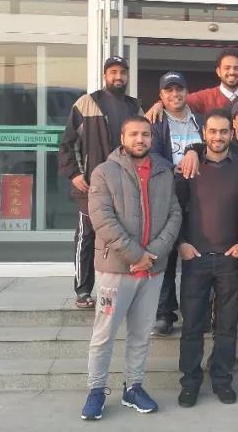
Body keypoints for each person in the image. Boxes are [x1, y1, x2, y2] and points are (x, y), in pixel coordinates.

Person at [81, 116, 182, 421]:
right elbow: (102, 219)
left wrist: (153, 254)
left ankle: (133, 387)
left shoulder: (164, 170)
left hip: (152, 269)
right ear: (122, 138)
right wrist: (135, 255)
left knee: (140, 334)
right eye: (134, 134)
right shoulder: (104, 172)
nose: (140, 139)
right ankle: (96, 390)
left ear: (152, 138)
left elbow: (175, 213)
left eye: (146, 134)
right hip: (116, 270)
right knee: (104, 334)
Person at [175, 109, 238, 408]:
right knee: (192, 326)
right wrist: (181, 243)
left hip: (230, 260)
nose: (218, 136)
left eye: (223, 131)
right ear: (204, 134)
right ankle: (190, 383)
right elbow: (175, 208)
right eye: (212, 131)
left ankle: (222, 380)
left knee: (227, 327)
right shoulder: (189, 167)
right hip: (194, 258)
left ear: (231, 133)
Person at [59, 55, 141, 309]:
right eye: (113, 72)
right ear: (105, 75)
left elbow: (143, 143)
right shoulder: (87, 103)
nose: (119, 77)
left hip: (125, 186)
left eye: (123, 72)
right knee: (87, 238)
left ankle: (122, 290)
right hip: (91, 187)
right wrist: (75, 174)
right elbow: (67, 144)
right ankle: (83, 290)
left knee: (122, 236)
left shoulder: (135, 107)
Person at [149, 71, 203, 336]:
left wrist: (195, 150)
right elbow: (151, 155)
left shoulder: (200, 121)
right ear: (161, 95)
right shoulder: (155, 122)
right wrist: (174, 168)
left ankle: (198, 311)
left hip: (201, 196)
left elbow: (215, 144)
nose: (174, 94)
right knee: (167, 254)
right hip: (169, 194)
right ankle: (164, 313)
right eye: (168, 90)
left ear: (186, 92)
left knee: (198, 255)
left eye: (178, 89)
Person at [146, 49, 238, 121]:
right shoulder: (204, 97)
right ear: (218, 71)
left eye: (236, 68)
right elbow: (178, 99)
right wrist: (159, 104)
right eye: (227, 68)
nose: (232, 72)